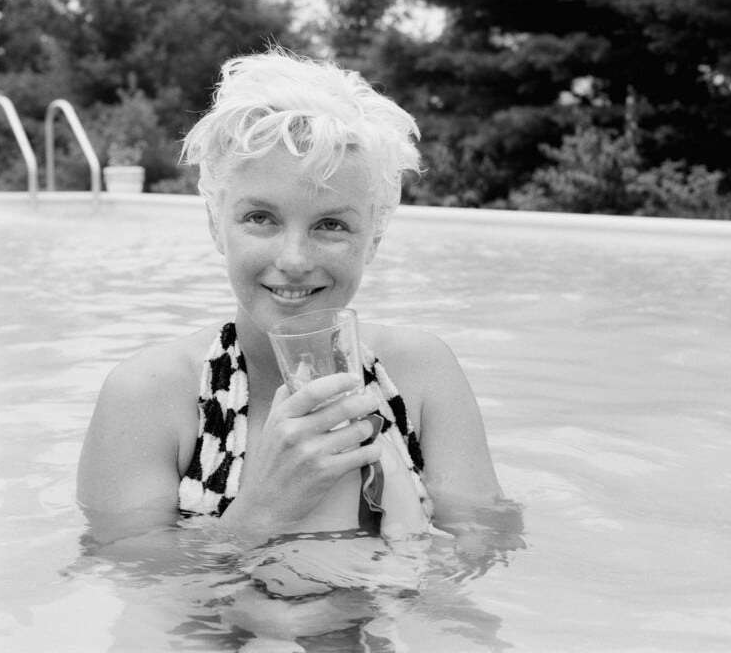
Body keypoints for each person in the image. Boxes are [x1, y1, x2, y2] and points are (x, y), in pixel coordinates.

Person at [77, 48, 502, 543]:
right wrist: (265, 508)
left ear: (374, 240)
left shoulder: (425, 376)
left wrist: (408, 539)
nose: (295, 258)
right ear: (217, 225)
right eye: (261, 218)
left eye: (331, 224)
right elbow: (127, 580)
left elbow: (488, 556)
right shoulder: (147, 397)